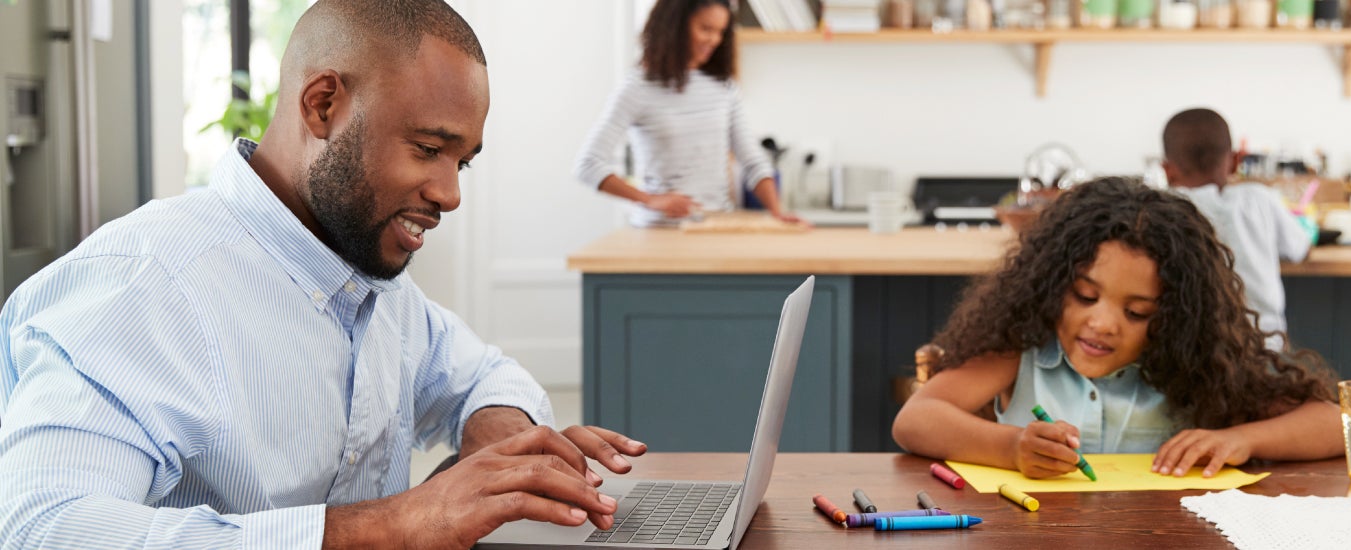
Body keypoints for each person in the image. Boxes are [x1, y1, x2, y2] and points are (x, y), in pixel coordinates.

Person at [0, 1, 646, 547]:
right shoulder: (143, 286)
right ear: (323, 105)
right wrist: (396, 523)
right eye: (427, 149)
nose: (450, 194)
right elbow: (42, 526)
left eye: (462, 162)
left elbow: (483, 375)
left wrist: (497, 445)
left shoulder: (363, 274)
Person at [890, 178, 1341, 480]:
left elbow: (1337, 423)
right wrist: (1011, 448)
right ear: (1051, 285)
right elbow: (916, 420)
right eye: (1085, 297)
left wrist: (1241, 438)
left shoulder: (1199, 365)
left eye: (1138, 312)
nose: (1102, 324)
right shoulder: (1022, 350)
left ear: (1176, 316)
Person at [575, 0, 803, 227]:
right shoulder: (638, 88)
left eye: (720, 32)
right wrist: (650, 200)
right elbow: (589, 164)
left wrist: (777, 211)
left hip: (714, 227)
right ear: (675, 26)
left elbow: (752, 161)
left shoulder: (724, 87)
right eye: (706, 29)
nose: (714, 40)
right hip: (659, 231)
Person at [1161, 108, 1311, 340]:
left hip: (1191, 353)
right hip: (1266, 349)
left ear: (1167, 170)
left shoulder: (1163, 210)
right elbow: (1300, 247)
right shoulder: (1260, 199)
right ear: (1235, 161)